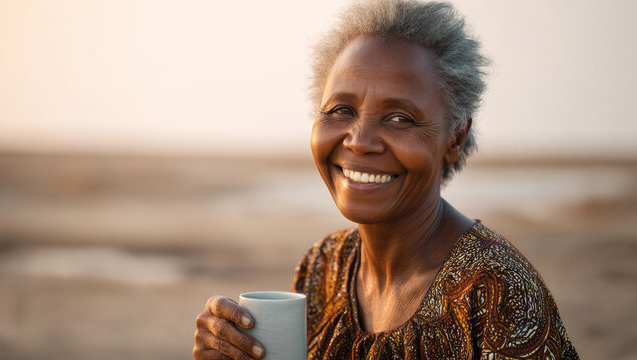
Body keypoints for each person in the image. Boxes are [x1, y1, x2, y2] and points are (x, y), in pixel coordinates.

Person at [193, 1, 579, 359]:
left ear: (455, 137)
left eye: (399, 118)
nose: (359, 141)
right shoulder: (323, 266)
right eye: (341, 109)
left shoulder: (494, 291)